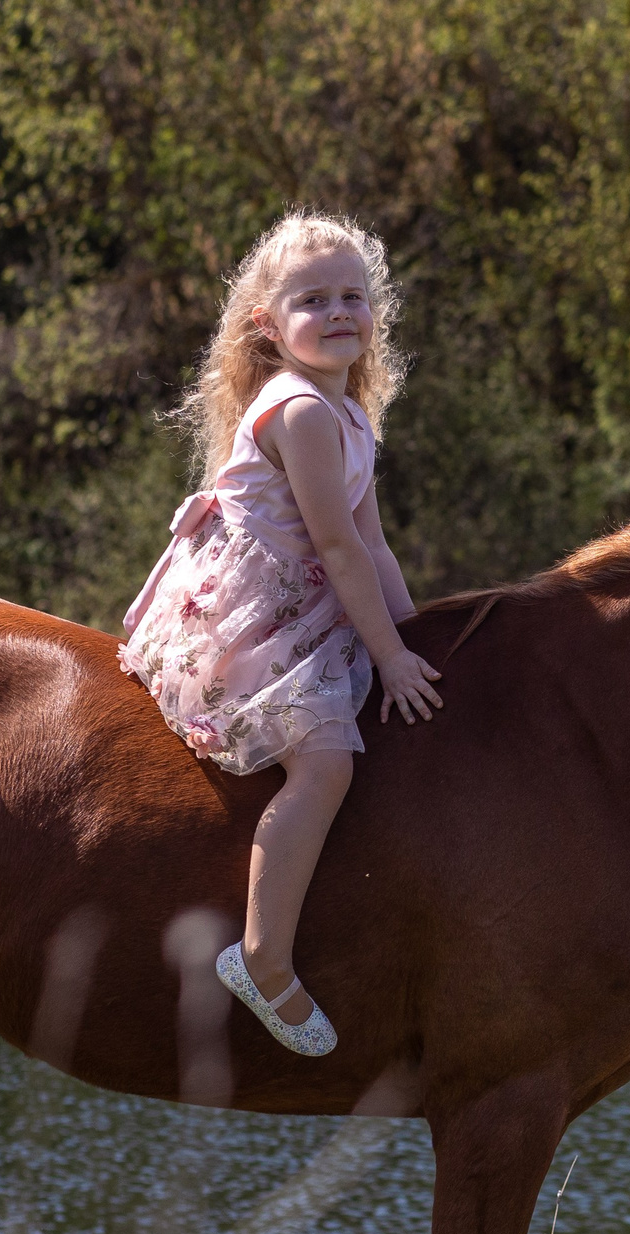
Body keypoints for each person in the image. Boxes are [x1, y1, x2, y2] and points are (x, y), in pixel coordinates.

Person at [121, 210, 444, 1056]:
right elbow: (336, 548)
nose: (338, 312)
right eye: (313, 300)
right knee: (326, 761)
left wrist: (416, 641)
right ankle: (262, 956)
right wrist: (384, 653)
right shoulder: (298, 411)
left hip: (307, 598)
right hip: (247, 613)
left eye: (352, 296)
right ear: (269, 324)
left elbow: (374, 545)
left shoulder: (352, 415)